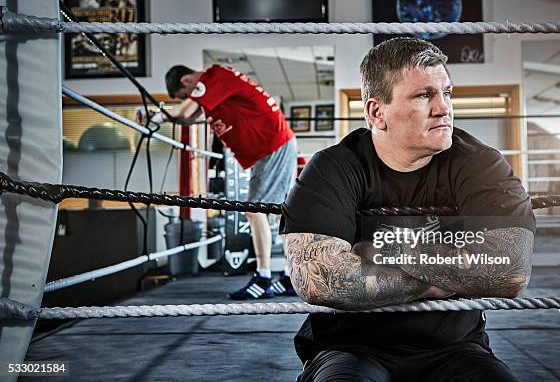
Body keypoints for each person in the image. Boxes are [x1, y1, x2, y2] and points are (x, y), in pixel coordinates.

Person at [280, 37, 535, 381]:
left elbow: (510, 269)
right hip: (351, 347)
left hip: (455, 348)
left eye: (447, 93)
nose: (443, 108)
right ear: (376, 112)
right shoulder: (334, 168)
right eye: (424, 95)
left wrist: (387, 252)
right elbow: (321, 280)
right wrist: (443, 278)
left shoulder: (479, 163)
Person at [139, 64, 297, 300]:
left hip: (271, 145)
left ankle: (264, 277)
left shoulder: (214, 76)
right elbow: (188, 117)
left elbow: (184, 111)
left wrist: (160, 115)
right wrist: (157, 116)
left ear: (186, 81)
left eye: (185, 95)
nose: (189, 98)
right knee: (279, 212)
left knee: (254, 210)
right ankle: (289, 277)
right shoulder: (213, 88)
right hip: (272, 144)